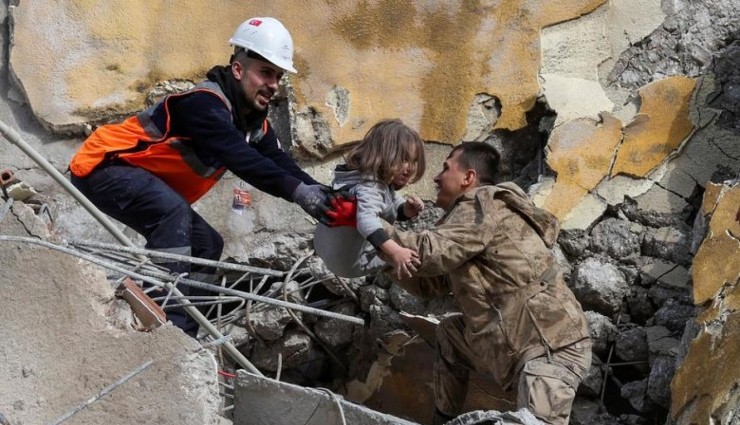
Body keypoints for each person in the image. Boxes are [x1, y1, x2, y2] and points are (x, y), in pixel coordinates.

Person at [68, 17, 351, 337]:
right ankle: (161, 325)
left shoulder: (253, 123)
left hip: (141, 179)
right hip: (103, 166)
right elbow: (240, 157)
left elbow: (279, 162)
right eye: (266, 72)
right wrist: (300, 194)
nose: (274, 84)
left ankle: (184, 335)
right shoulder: (205, 103)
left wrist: (323, 193)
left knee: (207, 244)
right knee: (172, 212)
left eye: (279, 76)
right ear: (238, 69)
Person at [382, 142, 591, 425]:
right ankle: (442, 420)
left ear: (468, 178)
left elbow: (430, 252)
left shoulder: (483, 205)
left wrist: (372, 228)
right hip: (520, 346)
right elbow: (429, 284)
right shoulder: (464, 224)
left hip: (549, 346)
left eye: (445, 168)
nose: (436, 177)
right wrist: (383, 253)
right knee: (451, 334)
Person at [314, 119, 426, 279]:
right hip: (352, 263)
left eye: (414, 161)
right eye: (404, 159)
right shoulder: (371, 187)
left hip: (325, 247)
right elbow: (367, 221)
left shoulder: (362, 178)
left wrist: (406, 209)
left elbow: (391, 200)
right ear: (384, 155)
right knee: (417, 254)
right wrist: (396, 252)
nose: (410, 168)